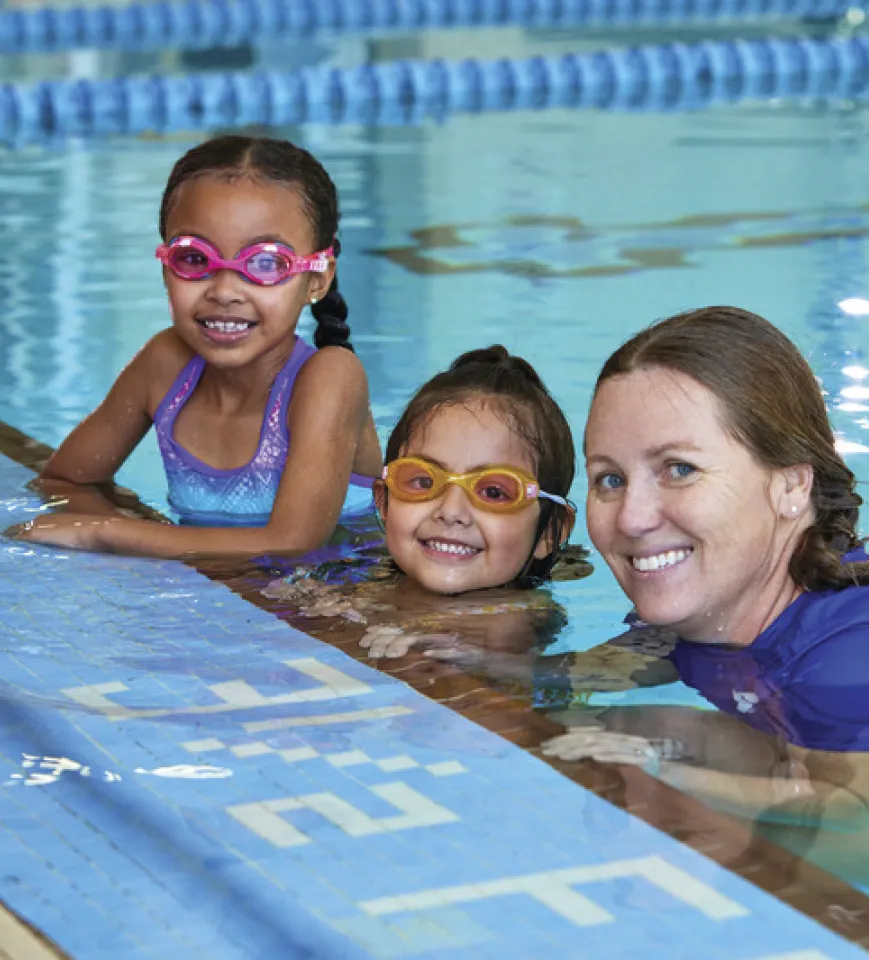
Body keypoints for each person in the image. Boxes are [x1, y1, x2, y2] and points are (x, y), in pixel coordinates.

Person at [542, 306, 869, 888]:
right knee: (638, 731)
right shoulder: (712, 613)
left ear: (791, 484)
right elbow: (562, 685)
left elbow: (849, 803)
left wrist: (668, 774)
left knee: (695, 819)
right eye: (609, 479)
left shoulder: (863, 651)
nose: (633, 519)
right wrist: (451, 659)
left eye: (680, 469)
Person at [7, 135, 382, 558]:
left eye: (264, 263)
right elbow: (64, 480)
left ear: (317, 278)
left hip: (342, 599)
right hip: (223, 596)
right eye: (194, 258)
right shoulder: (166, 365)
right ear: (166, 264)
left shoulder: (331, 376)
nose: (224, 291)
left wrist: (105, 532)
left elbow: (290, 543)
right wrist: (144, 532)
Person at [267, 347, 657, 702]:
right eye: (422, 481)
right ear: (384, 503)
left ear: (550, 533)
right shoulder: (364, 580)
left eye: (494, 492)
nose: (451, 511)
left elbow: (469, 682)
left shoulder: (514, 612)